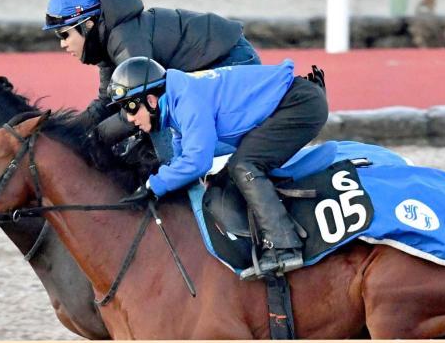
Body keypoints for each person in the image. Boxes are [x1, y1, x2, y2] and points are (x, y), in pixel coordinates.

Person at [108, 57, 328, 279]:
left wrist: (153, 185)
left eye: (131, 107)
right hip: (289, 104)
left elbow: (197, 161)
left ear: (152, 100)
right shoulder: (175, 104)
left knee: (244, 166)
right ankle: (254, 246)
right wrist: (159, 184)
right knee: (221, 181)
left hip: (299, 105)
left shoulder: (187, 100)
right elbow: (182, 158)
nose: (128, 118)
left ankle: (284, 246)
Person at [43, 0, 261, 135]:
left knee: (163, 127)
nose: (63, 43)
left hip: (233, 60)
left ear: (88, 25)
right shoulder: (106, 41)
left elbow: (138, 103)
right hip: (219, 58)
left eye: (64, 34)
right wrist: (65, 131)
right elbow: (106, 104)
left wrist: (95, 137)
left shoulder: (124, 38)